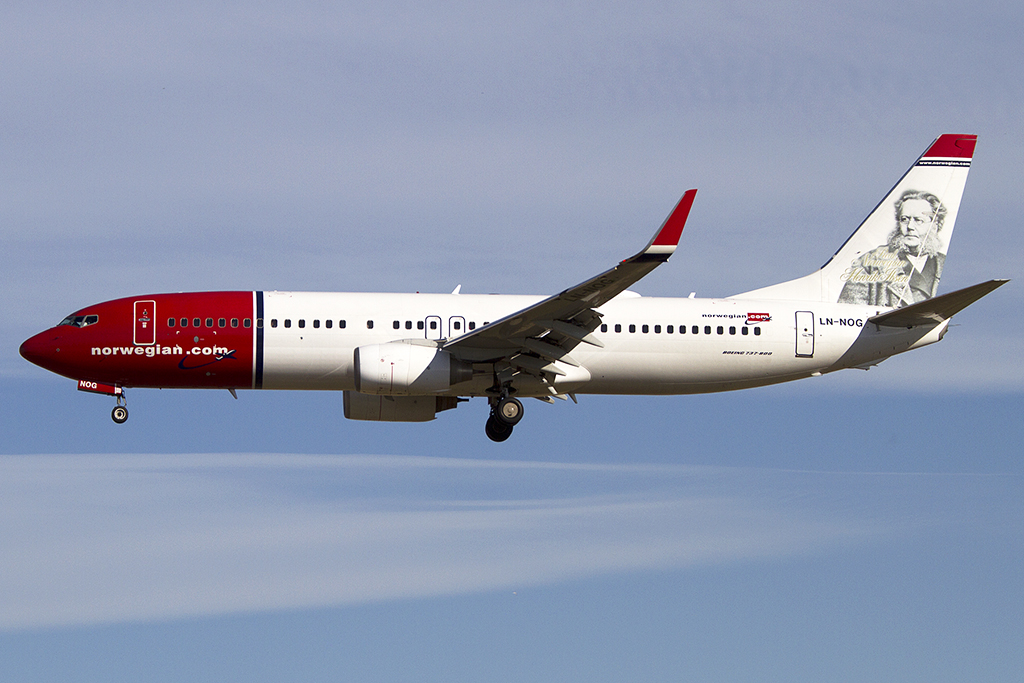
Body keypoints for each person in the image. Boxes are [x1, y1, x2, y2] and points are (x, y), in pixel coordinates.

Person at [838, 190, 947, 307]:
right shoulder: (869, 262)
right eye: (904, 219)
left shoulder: (943, 263)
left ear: (935, 225)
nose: (910, 226)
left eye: (918, 220)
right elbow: (850, 310)